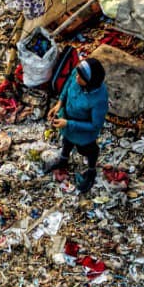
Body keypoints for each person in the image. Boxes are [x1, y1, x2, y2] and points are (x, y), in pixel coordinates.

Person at [42, 56, 109, 193]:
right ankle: (64, 160)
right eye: (77, 74)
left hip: (83, 132)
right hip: (66, 119)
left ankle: (91, 171)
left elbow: (95, 125)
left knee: (87, 150)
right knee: (66, 140)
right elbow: (67, 86)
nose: (76, 77)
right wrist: (59, 104)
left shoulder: (99, 99)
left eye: (81, 77)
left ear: (90, 82)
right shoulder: (78, 74)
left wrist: (68, 123)